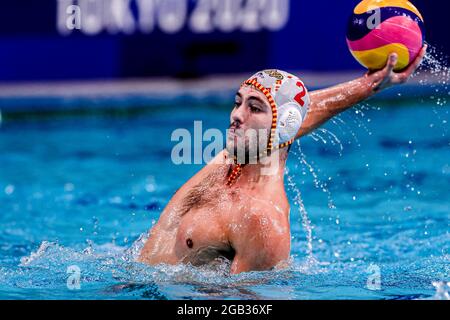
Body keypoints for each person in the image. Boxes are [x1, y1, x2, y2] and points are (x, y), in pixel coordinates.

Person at [138, 46, 427, 274]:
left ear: (280, 129)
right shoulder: (231, 161)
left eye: (254, 107)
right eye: (238, 102)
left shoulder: (262, 219)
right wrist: (369, 84)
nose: (237, 115)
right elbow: (301, 111)